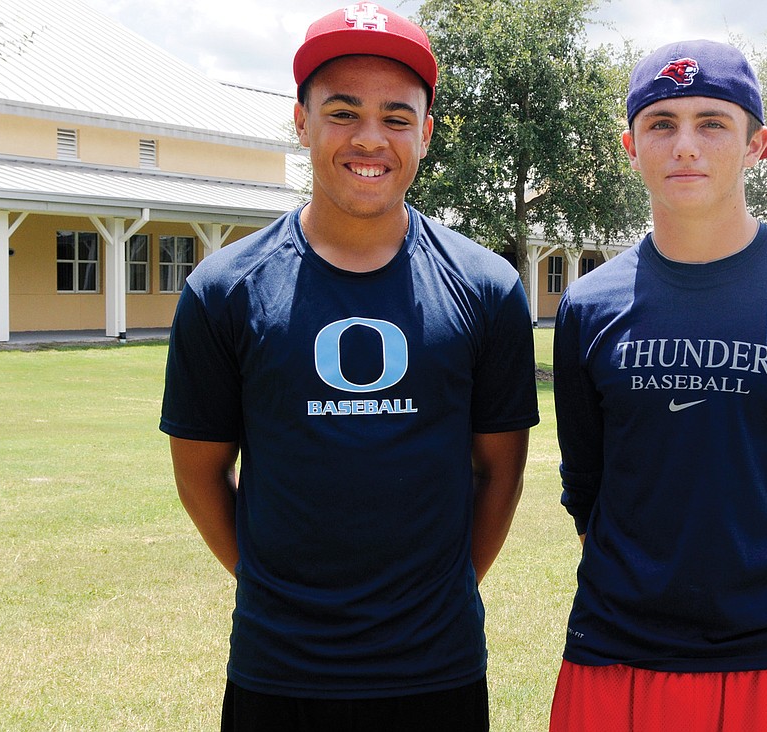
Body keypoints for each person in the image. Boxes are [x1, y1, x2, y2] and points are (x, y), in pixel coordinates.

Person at [159, 5, 539, 730]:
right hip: (279, 669)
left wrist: (440, 594)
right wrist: (275, 590)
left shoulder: (487, 288)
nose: (371, 138)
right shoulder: (224, 289)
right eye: (342, 112)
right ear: (300, 122)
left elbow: (501, 473)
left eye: (398, 116)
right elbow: (200, 473)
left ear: (426, 131)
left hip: (438, 669)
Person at [549, 39, 767, 731]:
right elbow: (586, 489)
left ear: (757, 144)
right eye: (662, 123)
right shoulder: (588, 305)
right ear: (630, 144)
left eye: (712, 122)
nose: (685, 146)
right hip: (616, 656)